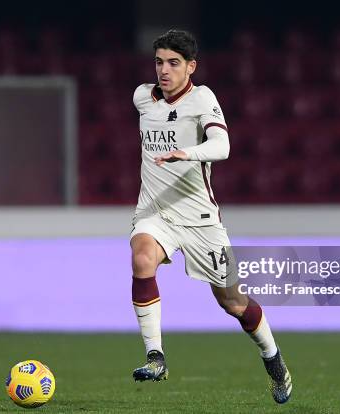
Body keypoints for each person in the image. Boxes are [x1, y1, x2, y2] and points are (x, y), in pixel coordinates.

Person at [130, 29, 292, 404]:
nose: (164, 71)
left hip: (201, 221)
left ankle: (273, 359)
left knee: (234, 304)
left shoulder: (202, 98)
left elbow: (223, 146)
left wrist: (186, 153)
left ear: (191, 67)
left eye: (173, 63)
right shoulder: (142, 97)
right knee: (141, 257)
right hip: (156, 213)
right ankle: (156, 356)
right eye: (159, 62)